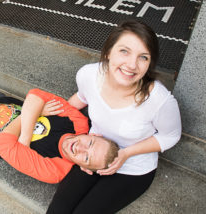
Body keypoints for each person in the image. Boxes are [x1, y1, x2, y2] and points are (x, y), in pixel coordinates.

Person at [46, 19, 182, 213]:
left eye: (143, 57)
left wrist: (125, 154)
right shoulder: (89, 75)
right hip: (91, 152)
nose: (132, 65)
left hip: (133, 167)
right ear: (109, 51)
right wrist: (50, 113)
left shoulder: (159, 100)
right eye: (124, 51)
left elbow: (170, 136)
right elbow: (82, 97)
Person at [0, 84, 119, 184]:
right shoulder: (78, 122)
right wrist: (23, 138)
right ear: (96, 135)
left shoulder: (55, 170)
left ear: (84, 168)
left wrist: (35, 112)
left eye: (86, 158)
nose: (80, 148)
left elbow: (2, 144)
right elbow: (35, 95)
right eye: (90, 144)